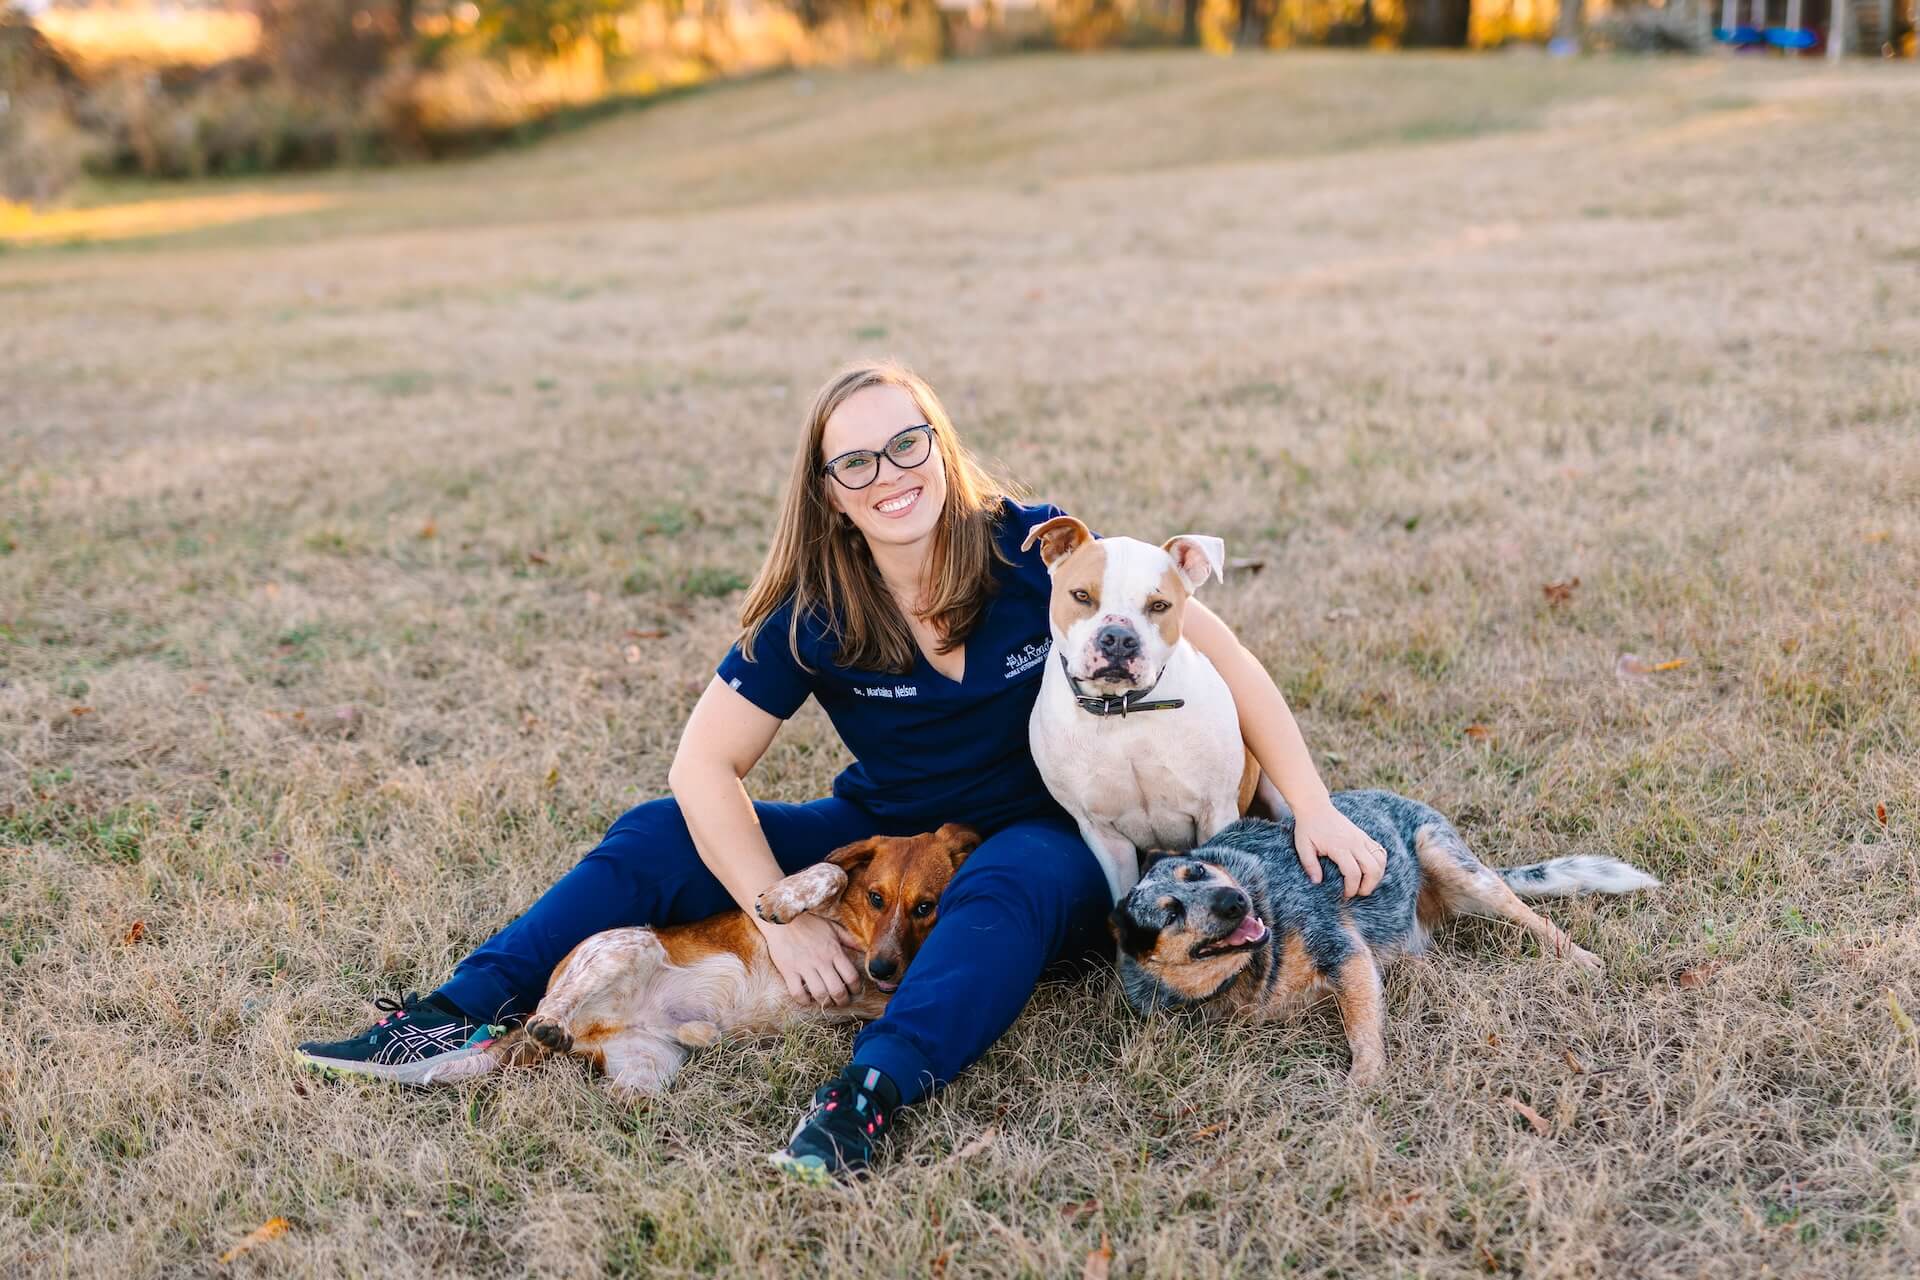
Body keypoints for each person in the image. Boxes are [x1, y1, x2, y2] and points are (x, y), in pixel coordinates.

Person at [296, 361, 1388, 1181]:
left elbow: (1225, 658)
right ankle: (453, 1013)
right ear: (828, 489)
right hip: (879, 827)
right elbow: (703, 764)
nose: (888, 474)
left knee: (1006, 886)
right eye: (856, 461)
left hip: (1045, 826)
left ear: (940, 446)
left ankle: (865, 1093)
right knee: (651, 831)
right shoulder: (817, 605)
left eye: (906, 445)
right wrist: (775, 915)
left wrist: (1315, 806)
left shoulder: (1032, 548)